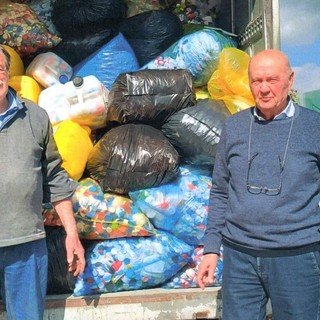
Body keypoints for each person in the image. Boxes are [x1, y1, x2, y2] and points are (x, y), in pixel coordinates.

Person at [197, 49, 320, 319]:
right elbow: (220, 190)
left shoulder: (314, 127)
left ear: (290, 80)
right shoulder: (233, 127)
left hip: (297, 258)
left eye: (272, 80)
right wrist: (211, 249)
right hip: (240, 258)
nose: (263, 88)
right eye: (256, 81)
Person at [0, 45, 85, 319]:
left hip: (25, 245)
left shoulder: (35, 117)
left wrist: (72, 234)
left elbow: (55, 178)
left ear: (8, 74)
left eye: (0, 70)